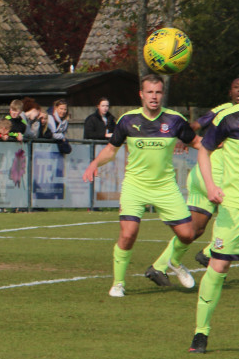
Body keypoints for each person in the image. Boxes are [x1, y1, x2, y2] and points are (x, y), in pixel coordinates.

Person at [82, 74, 201, 298]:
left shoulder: (174, 120)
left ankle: (174, 262)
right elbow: (111, 149)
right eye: (149, 92)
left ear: (162, 94)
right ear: (141, 94)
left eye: (157, 92)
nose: (154, 97)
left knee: (187, 235)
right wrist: (95, 162)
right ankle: (118, 283)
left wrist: (220, 145)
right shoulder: (127, 120)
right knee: (128, 233)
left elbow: (196, 142)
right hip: (135, 185)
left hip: (165, 186)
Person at [189, 59, 239, 354]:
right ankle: (200, 333)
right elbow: (204, 152)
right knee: (218, 266)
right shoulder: (230, 118)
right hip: (235, 208)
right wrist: (211, 186)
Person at [151, 79, 239, 279]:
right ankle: (208, 253)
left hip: (201, 175)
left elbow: (196, 124)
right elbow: (195, 125)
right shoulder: (231, 112)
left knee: (194, 229)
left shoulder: (229, 112)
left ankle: (158, 267)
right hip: (216, 177)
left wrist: (185, 135)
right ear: (229, 92)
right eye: (236, 87)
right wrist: (183, 135)